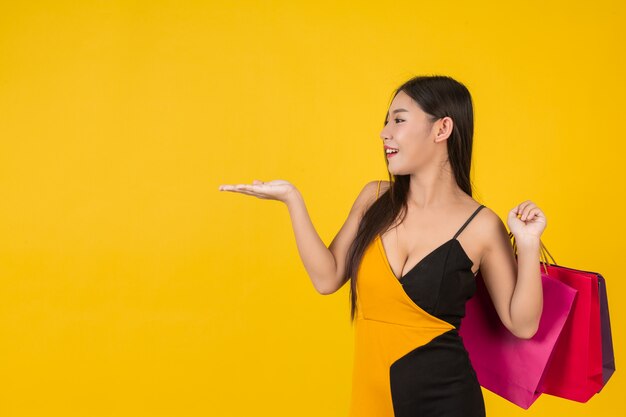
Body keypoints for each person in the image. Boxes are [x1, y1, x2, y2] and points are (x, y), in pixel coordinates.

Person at [219, 75, 546, 416]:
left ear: (442, 129)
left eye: (399, 120)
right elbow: (326, 278)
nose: (384, 132)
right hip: (372, 398)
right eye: (386, 121)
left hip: (449, 401)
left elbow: (522, 324)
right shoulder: (374, 199)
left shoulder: (482, 225)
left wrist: (527, 243)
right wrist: (292, 200)